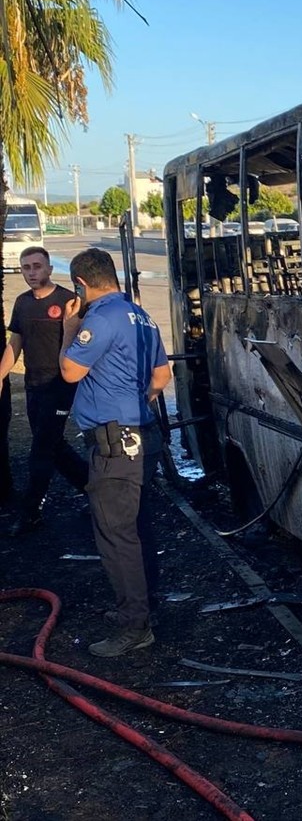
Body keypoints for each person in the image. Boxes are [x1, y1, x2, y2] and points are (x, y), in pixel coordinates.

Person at [60, 248, 171, 658]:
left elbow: (71, 370)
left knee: (116, 535)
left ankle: (134, 627)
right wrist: (135, 400)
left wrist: (70, 327)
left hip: (114, 443)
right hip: (143, 432)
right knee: (137, 526)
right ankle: (143, 606)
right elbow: (162, 375)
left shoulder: (99, 319)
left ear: (81, 284)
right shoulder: (141, 316)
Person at [0, 246, 90, 535]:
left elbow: (84, 345)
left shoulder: (69, 301)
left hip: (60, 385)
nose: (31, 273)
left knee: (40, 448)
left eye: (37, 266)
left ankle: (30, 513)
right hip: (33, 384)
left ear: (50, 269)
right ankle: (94, 489)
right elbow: (14, 344)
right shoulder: (22, 303)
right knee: (54, 445)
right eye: (26, 267)